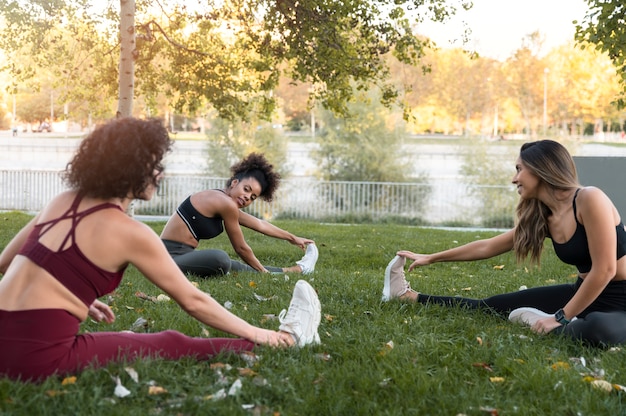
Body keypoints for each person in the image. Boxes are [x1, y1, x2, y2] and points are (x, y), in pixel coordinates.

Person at [0, 117, 321, 382]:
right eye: (154, 165)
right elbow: (194, 302)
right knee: (171, 342)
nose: (159, 173)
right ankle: (285, 340)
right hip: (33, 360)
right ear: (131, 168)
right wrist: (257, 333)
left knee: (130, 339)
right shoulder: (129, 231)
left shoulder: (63, 201)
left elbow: (7, 262)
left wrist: (71, 293)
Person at [382, 139, 626, 347]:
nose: (514, 178)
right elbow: (487, 246)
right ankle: (408, 296)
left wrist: (560, 317)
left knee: (599, 330)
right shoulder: (544, 217)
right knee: (493, 306)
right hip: (583, 292)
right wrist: (432, 257)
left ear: (541, 168)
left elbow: (605, 269)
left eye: (519, 169)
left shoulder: (589, 198)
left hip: (622, 300)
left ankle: (554, 322)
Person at [160, 152, 318, 278]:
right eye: (246, 189)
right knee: (220, 259)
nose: (247, 197)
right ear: (235, 183)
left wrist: (292, 238)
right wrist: (264, 274)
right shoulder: (225, 203)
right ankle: (268, 273)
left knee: (236, 265)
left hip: (183, 255)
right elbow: (241, 248)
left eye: (253, 197)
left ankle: (298, 269)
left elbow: (259, 224)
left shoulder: (224, 200)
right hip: (168, 258)